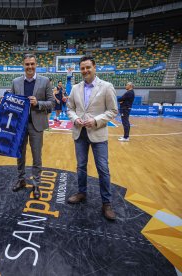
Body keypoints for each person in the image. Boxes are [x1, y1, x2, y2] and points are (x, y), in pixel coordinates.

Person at [66, 56, 118, 220]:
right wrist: (75, 119)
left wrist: (95, 120)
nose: (85, 71)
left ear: (95, 67)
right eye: (82, 68)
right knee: (81, 166)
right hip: (79, 132)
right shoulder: (75, 88)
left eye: (88, 67)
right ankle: (82, 193)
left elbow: (112, 111)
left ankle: (107, 203)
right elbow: (70, 108)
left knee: (103, 168)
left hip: (98, 133)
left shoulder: (107, 87)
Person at [10, 53, 54, 199]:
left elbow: (52, 103)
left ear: (36, 65)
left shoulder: (45, 81)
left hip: (36, 125)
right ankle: (21, 179)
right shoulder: (15, 82)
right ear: (23, 65)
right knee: (20, 155)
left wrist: (38, 103)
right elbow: (11, 101)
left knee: (37, 156)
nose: (29, 67)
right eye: (27, 64)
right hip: (20, 126)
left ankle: (36, 184)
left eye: (32, 64)